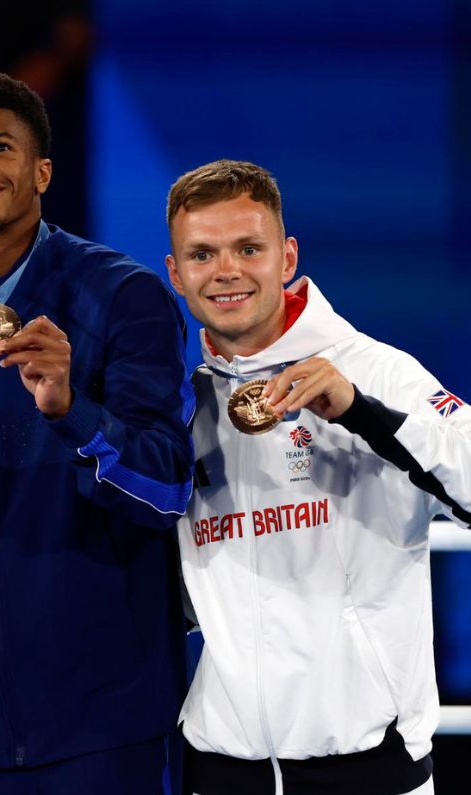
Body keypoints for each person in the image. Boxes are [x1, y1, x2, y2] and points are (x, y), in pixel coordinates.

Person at [0, 71, 193, 793]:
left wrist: (71, 410)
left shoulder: (122, 295)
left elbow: (167, 484)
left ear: (42, 170)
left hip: (108, 722)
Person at [165, 159, 468, 795]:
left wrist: (362, 411)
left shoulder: (378, 372)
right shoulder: (178, 403)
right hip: (218, 767)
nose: (226, 271)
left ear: (286, 257)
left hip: (370, 768)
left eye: (249, 248)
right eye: (202, 254)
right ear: (176, 273)